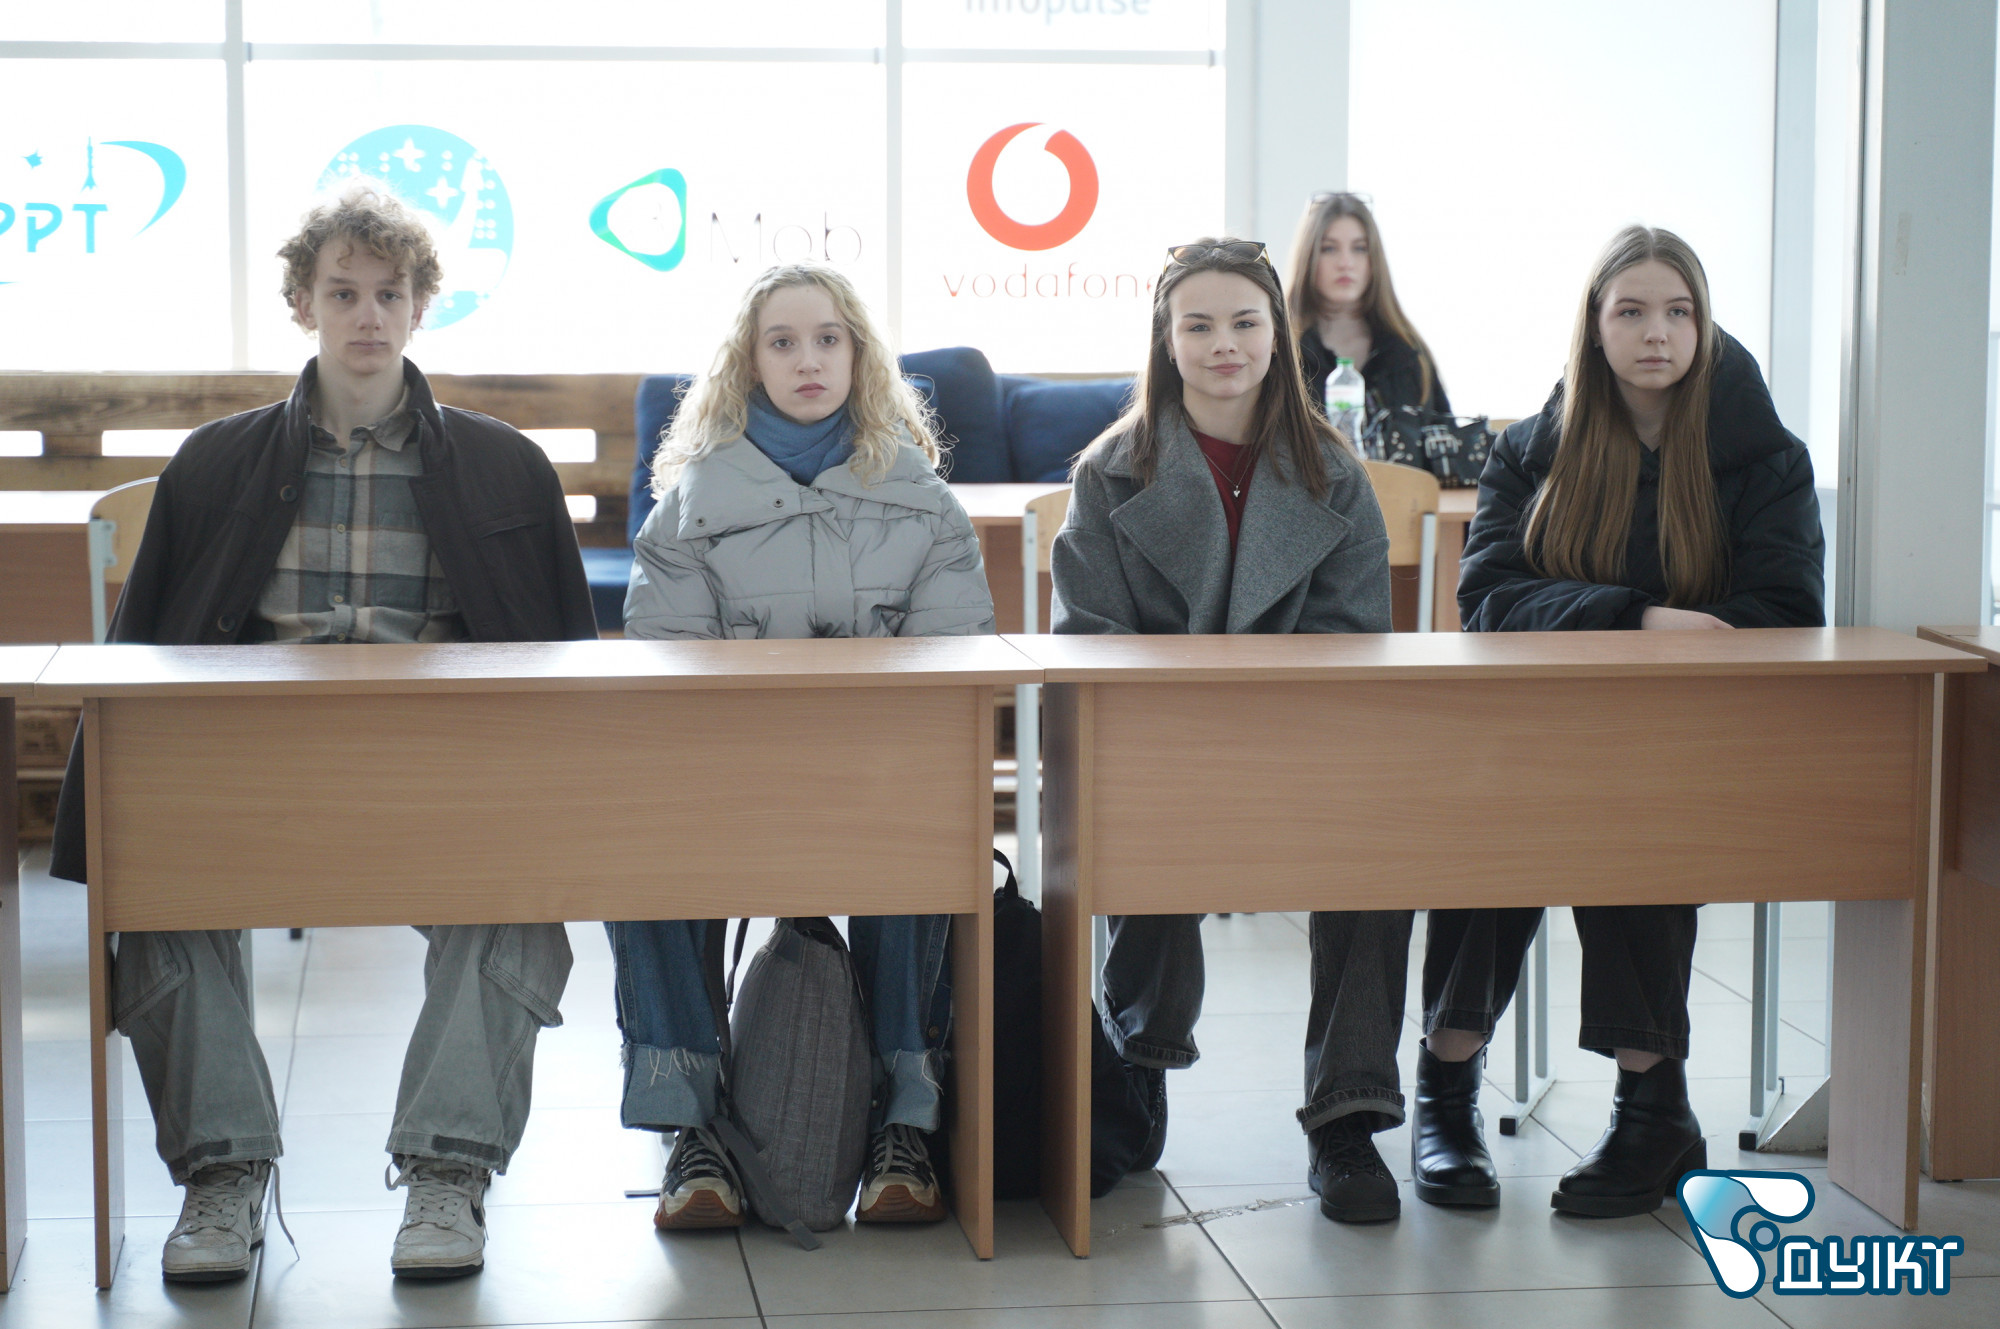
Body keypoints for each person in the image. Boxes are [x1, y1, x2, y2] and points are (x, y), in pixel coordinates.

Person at [48, 184, 596, 1281]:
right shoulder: (214, 462)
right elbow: (142, 648)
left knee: (520, 901)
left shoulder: (505, 466)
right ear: (302, 302)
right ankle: (223, 1174)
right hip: (257, 775)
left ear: (421, 306)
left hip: (441, 774)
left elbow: (563, 661)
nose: (367, 316)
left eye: (389, 293)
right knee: (155, 892)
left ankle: (446, 1172)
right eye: (342, 292)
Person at [1428, 225, 1824, 1217]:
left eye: (1678, 312)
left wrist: (1642, 633)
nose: (1657, 333)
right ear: (1594, 327)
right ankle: (1446, 1090)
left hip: (1692, 741)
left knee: (1627, 809)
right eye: (1632, 311)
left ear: (1703, 323)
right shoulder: (1531, 449)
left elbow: (1785, 611)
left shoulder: (1764, 457)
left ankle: (1651, 1110)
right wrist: (1638, 616)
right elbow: (1486, 599)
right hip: (1540, 731)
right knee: (1496, 810)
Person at [616, 263, 993, 1231]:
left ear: (859, 357)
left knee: (930, 824)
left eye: (827, 339)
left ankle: (904, 1125)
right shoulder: (688, 505)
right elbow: (668, 683)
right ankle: (691, 1127)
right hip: (731, 781)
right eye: (781, 342)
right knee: (640, 850)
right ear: (748, 364)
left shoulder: (924, 502)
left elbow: (951, 673)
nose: (807, 360)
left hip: (879, 777)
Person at [1049, 238, 1402, 1223]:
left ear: (1277, 335)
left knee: (1380, 845)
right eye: (1197, 325)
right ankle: (1137, 1060)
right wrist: (1195, 734)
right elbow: (1089, 639)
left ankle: (1346, 1114)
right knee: (1141, 807)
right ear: (1165, 341)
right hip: (1160, 752)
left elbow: (1350, 642)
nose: (1223, 345)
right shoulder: (1108, 473)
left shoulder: (1335, 472)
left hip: (1304, 754)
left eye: (1244, 322)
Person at [1286, 192, 1450, 417]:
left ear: (1374, 258)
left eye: (1360, 248)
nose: (1345, 263)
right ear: (1308, 257)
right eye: (1329, 248)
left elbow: (1442, 430)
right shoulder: (1281, 352)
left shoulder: (1407, 354)